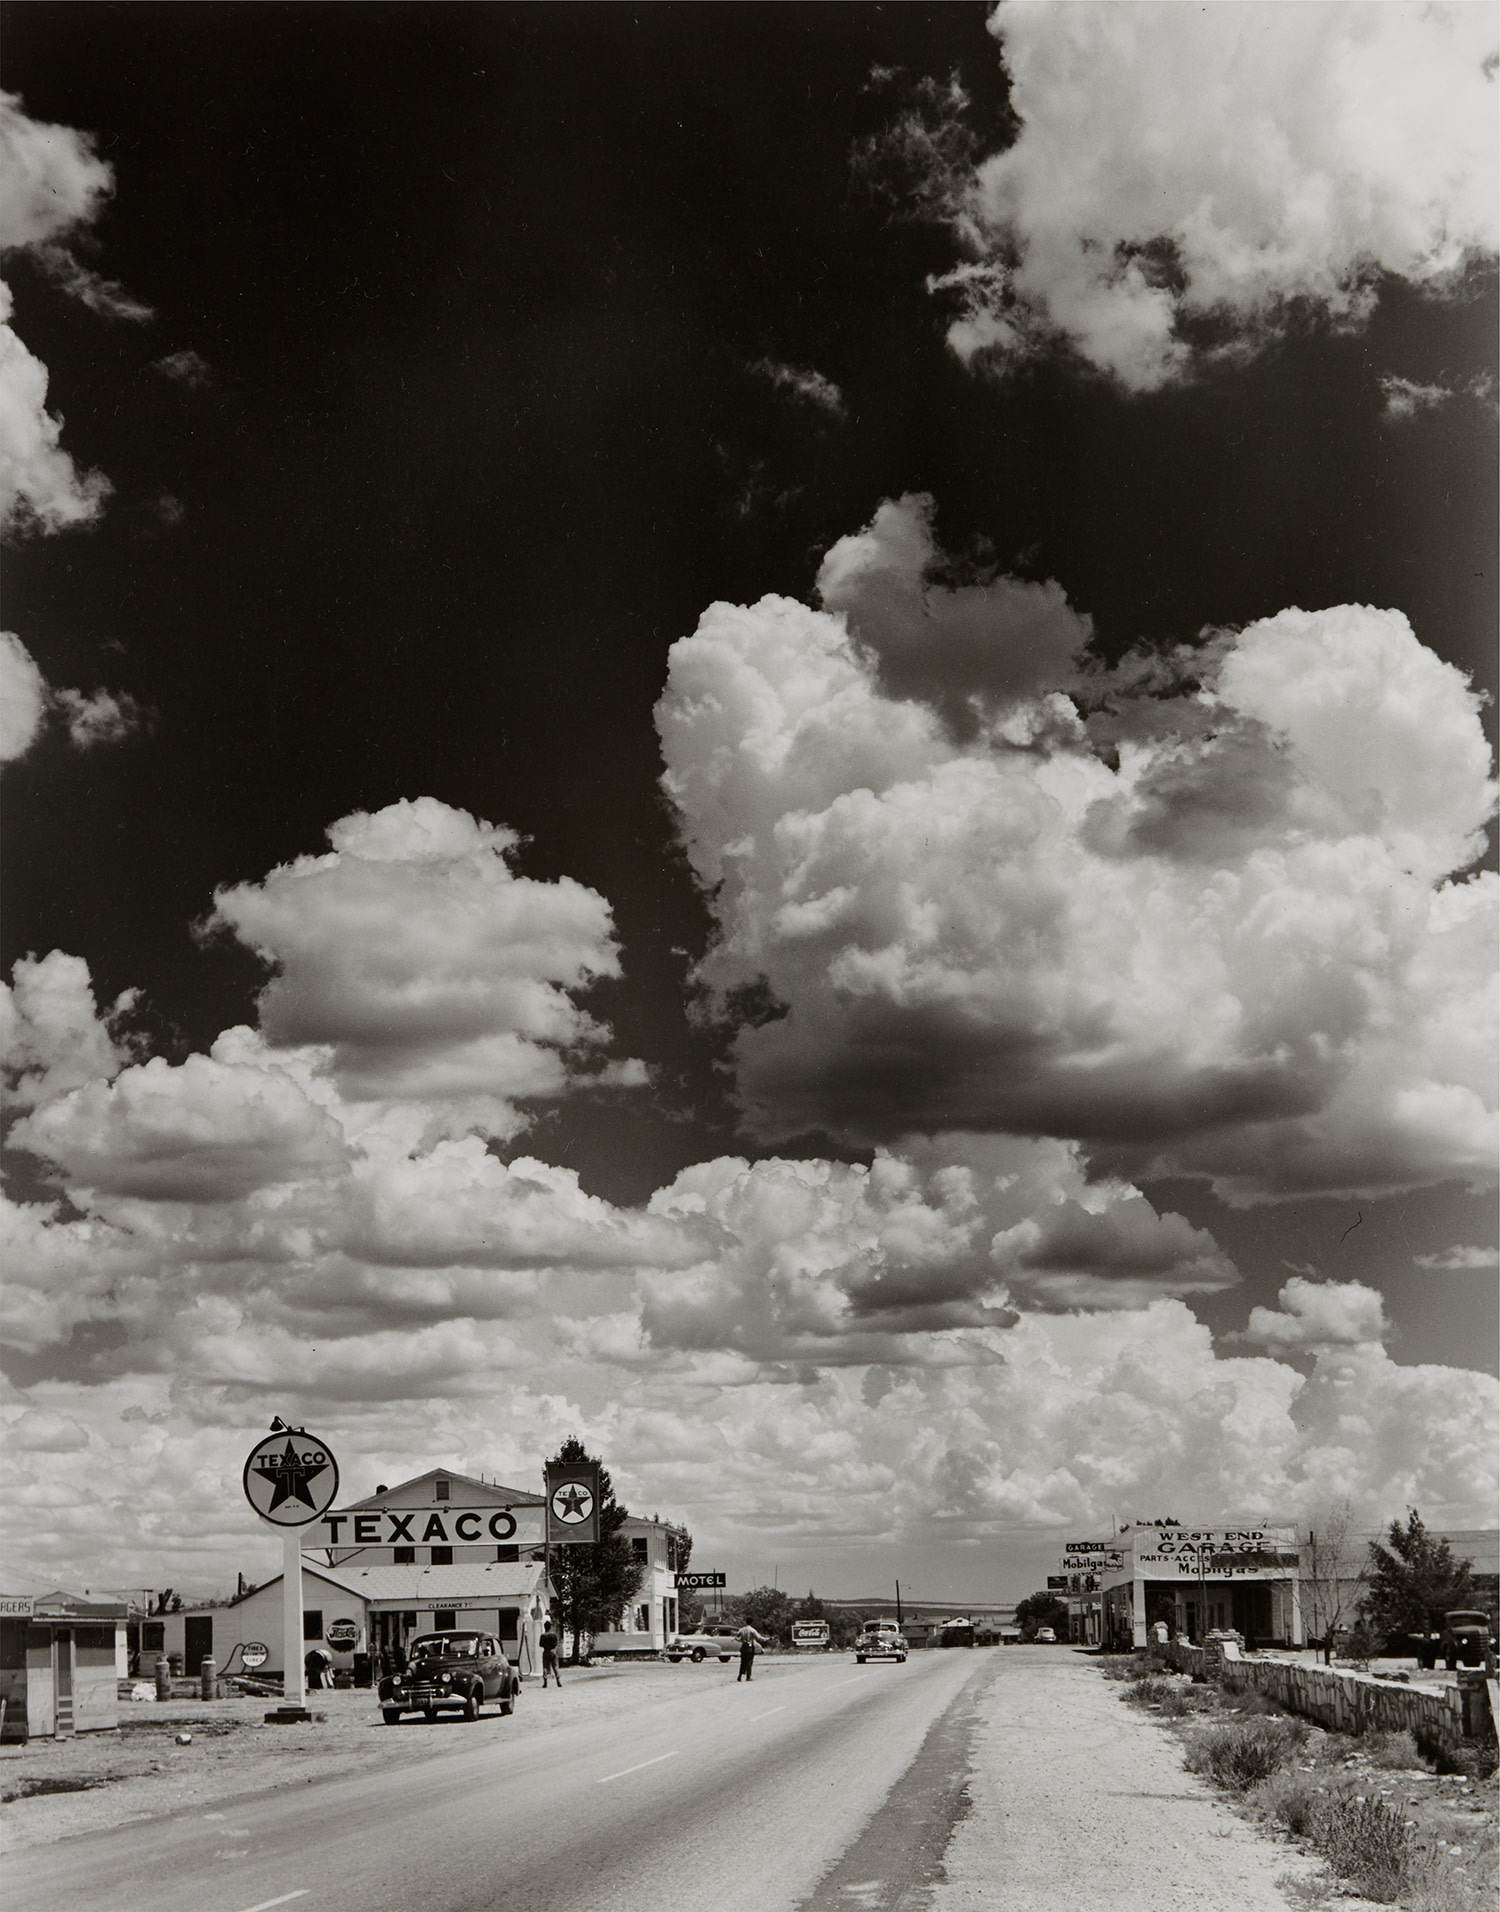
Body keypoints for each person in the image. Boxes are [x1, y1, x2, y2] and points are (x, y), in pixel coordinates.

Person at [540, 1620, 562, 1688]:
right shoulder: (554, 1634)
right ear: (550, 1627)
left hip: (546, 1651)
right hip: (553, 1651)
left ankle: (545, 1682)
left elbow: (540, 1644)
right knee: (555, 1666)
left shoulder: (543, 1635)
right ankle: (558, 1681)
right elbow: (556, 1643)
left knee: (545, 1667)